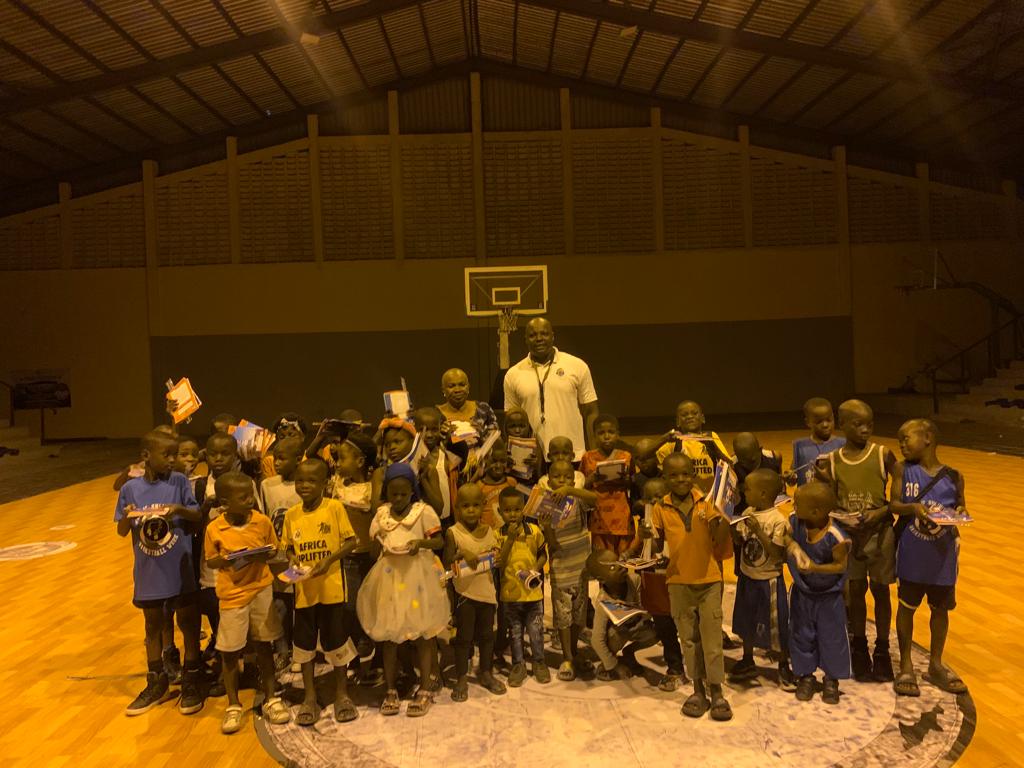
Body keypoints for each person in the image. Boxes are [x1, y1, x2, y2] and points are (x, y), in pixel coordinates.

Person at [115, 429, 204, 716]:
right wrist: (127, 516)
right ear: (146, 456)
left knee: (188, 623)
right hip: (149, 572)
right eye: (167, 455)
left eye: (175, 454)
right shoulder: (130, 489)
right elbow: (121, 530)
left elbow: (197, 515)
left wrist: (178, 509)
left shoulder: (179, 482)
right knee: (152, 625)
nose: (173, 460)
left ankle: (191, 678)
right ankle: (157, 682)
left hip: (179, 568)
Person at [357, 463, 449, 718]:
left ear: (412, 492)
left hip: (418, 580)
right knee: (389, 635)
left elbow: (439, 541)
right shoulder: (382, 515)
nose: (398, 499)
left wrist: (420, 543)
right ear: (386, 492)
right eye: (393, 493)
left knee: (423, 633)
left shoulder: (423, 512)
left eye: (403, 494)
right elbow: (374, 550)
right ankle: (390, 688)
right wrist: (379, 543)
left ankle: (425, 686)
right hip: (390, 579)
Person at [203, 472, 290, 733]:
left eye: (250, 495)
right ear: (225, 504)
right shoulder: (214, 528)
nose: (250, 500)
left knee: (264, 645)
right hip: (232, 595)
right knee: (230, 651)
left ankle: (271, 698)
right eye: (243, 498)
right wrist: (226, 560)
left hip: (261, 589)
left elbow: (273, 549)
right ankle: (233, 705)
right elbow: (211, 560)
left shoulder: (262, 521)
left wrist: (264, 554)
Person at [649, 453, 733, 721]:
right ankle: (697, 689)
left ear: (693, 474)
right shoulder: (659, 509)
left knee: (712, 639)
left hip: (709, 580)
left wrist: (724, 518)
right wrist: (644, 535)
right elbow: (655, 545)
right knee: (688, 639)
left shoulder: (708, 503)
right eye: (674, 475)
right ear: (665, 478)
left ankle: (717, 691)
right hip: (678, 582)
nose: (681, 479)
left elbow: (719, 540)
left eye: (686, 473)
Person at [890, 419, 969, 697]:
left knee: (940, 610)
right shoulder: (902, 470)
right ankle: (906, 665)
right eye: (899, 440)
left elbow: (961, 507)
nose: (901, 444)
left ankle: (936, 664)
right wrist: (913, 507)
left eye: (906, 438)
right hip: (912, 554)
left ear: (927, 438)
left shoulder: (954, 476)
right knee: (906, 608)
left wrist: (961, 511)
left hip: (942, 556)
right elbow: (894, 504)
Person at [822, 399, 897, 683]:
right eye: (858, 424)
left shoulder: (883, 454)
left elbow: (898, 499)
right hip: (850, 536)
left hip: (880, 534)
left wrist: (880, 512)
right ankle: (859, 645)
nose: (866, 429)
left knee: (881, 590)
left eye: (870, 424)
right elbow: (830, 500)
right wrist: (840, 515)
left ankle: (882, 648)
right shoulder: (832, 461)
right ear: (843, 425)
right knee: (855, 591)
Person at [282, 458, 359, 725]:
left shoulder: (334, 507)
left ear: (324, 484)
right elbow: (288, 547)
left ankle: (342, 694)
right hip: (304, 591)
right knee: (304, 644)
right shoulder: (291, 515)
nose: (304, 485)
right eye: (299, 480)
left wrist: (329, 561)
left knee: (336, 640)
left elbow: (351, 542)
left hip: (332, 590)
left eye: (311, 481)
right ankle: (310, 696)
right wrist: (292, 558)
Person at [728, 469, 795, 690]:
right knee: (746, 621)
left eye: (748, 489)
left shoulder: (778, 521)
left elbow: (777, 555)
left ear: (763, 493)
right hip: (748, 578)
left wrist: (758, 530)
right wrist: (733, 529)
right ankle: (748, 659)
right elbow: (740, 542)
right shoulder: (748, 512)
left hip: (769, 581)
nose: (744, 492)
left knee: (776, 626)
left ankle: (783, 664)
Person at [786, 482, 851, 705]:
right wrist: (793, 545)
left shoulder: (836, 536)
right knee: (801, 635)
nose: (794, 507)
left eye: (798, 504)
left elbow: (840, 566)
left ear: (815, 512)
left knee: (832, 638)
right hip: (803, 593)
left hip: (828, 597)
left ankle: (831, 680)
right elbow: (785, 536)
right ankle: (806, 676)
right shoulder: (795, 522)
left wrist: (814, 568)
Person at [503, 317, 599, 461]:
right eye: (532, 335)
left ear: (553, 336)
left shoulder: (577, 366)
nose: (539, 339)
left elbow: (591, 411)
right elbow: (510, 420)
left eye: (544, 333)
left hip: (572, 455)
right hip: (532, 459)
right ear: (526, 340)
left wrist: (595, 453)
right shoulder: (513, 374)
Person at [444, 484, 507, 701]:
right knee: (464, 638)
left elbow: (495, 557)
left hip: (487, 593)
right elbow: (446, 563)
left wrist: (498, 559)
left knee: (487, 636)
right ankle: (462, 677)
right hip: (465, 595)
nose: (471, 510)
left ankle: (486, 672)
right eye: (465, 506)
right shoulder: (453, 533)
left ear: (483, 506)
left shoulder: (490, 531)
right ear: (457, 508)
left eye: (475, 505)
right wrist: (462, 553)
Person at [329, 432, 381, 686]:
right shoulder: (337, 484)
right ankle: (354, 655)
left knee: (371, 605)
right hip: (347, 556)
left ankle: (373, 656)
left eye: (342, 458)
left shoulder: (373, 488)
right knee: (349, 607)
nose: (337, 463)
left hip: (370, 556)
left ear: (360, 462)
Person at [541, 458, 597, 681]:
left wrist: (572, 491)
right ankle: (567, 657)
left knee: (579, 615)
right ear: (548, 480)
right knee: (563, 617)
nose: (562, 481)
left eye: (567, 478)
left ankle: (573, 652)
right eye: (557, 477)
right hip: (561, 570)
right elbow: (552, 545)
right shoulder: (546, 504)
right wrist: (547, 527)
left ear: (573, 481)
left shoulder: (577, 499)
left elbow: (595, 499)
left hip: (581, 568)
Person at [495, 487, 551, 686]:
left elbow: (543, 555)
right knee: (515, 632)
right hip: (510, 595)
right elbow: (499, 563)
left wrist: (535, 568)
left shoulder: (533, 531)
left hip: (533, 594)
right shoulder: (497, 535)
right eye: (507, 510)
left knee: (536, 632)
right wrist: (510, 538)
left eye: (517, 509)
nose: (513, 514)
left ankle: (539, 662)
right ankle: (518, 665)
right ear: (500, 511)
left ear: (524, 510)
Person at [634, 478, 685, 691]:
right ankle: (675, 668)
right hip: (657, 583)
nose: (654, 501)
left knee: (688, 626)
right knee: (665, 626)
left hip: (680, 580)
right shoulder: (645, 522)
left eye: (659, 496)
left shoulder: (678, 516)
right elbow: (645, 548)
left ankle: (699, 670)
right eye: (649, 498)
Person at [260, 437, 303, 671]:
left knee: (300, 602)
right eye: (275, 458)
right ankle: (282, 649)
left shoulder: (305, 484)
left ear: (298, 459)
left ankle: (301, 649)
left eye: (282, 459)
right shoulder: (267, 485)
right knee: (280, 603)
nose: (277, 463)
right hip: (277, 558)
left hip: (299, 557)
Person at [588, 550, 658, 682]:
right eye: (612, 567)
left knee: (657, 632)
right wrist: (615, 666)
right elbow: (596, 640)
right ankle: (607, 664)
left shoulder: (635, 580)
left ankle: (629, 653)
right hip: (618, 634)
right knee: (615, 635)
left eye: (619, 561)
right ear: (602, 579)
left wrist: (642, 618)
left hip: (636, 625)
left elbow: (645, 607)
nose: (620, 566)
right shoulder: (603, 601)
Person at [580, 414, 635, 555]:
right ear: (594, 436)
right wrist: (592, 478)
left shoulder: (626, 456)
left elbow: (633, 483)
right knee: (602, 560)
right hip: (599, 516)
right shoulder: (588, 457)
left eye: (611, 432)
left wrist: (624, 479)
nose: (606, 436)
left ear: (617, 434)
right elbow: (581, 486)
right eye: (601, 433)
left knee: (624, 559)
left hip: (622, 515)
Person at [653, 401, 730, 491]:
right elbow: (646, 456)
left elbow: (728, 464)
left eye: (694, 413)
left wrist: (713, 446)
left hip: (709, 493)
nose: (690, 417)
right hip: (683, 492)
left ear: (702, 418)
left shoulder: (711, 436)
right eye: (684, 415)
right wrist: (663, 439)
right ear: (678, 422)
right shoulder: (674, 440)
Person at [787, 398, 845, 487]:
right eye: (819, 422)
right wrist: (790, 477)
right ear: (808, 422)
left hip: (833, 495)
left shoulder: (842, 444)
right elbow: (792, 481)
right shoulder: (801, 446)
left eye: (829, 420)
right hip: (807, 494)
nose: (825, 425)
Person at [437, 367, 499, 439]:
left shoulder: (483, 409)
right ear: (443, 390)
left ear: (468, 387)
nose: (457, 390)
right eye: (451, 386)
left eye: (462, 385)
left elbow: (497, 441)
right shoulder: (436, 415)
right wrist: (444, 436)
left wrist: (481, 434)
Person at [731, 432, 783, 514]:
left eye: (753, 461)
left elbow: (781, 489)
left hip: (769, 510)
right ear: (736, 455)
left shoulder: (774, 458)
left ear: (760, 450)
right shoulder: (732, 466)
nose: (749, 465)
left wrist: (785, 480)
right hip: (742, 512)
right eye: (744, 462)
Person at [478, 440, 518, 529]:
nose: (498, 465)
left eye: (503, 461)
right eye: (494, 461)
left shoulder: (511, 483)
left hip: (508, 532)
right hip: (488, 534)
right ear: (485, 460)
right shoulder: (479, 487)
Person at [260, 413, 307, 480]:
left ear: (302, 437)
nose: (286, 440)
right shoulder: (269, 462)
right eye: (282, 437)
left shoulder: (309, 459)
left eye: (291, 435)